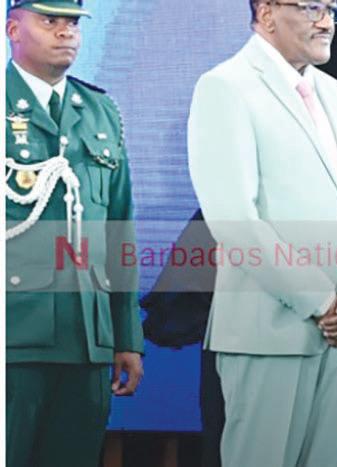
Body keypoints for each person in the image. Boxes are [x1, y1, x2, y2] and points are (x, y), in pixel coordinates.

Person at [186, 0, 337, 465]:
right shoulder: (225, 86)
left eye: (332, 8)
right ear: (266, 13)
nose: (326, 21)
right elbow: (234, 219)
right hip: (269, 334)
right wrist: (323, 303)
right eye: (312, 7)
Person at [5, 1, 144, 465]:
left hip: (87, 340)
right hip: (13, 337)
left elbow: (119, 231)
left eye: (72, 23)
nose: (65, 32)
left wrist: (126, 336)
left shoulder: (100, 111)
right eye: (50, 20)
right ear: (13, 29)